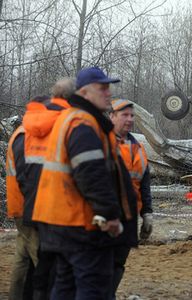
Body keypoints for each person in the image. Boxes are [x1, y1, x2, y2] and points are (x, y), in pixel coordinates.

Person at [32, 66, 138, 300]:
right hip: (81, 227)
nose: (108, 93)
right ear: (85, 92)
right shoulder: (84, 123)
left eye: (109, 87)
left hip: (61, 224)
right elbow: (91, 173)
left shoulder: (71, 118)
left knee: (65, 288)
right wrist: (110, 215)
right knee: (93, 289)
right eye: (103, 88)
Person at [6, 79, 75, 300]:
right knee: (41, 262)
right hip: (32, 208)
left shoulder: (22, 132)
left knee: (23, 258)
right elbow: (31, 175)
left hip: (21, 205)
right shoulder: (31, 134)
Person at [109, 98, 153, 299]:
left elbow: (144, 184)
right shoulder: (100, 144)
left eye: (131, 115)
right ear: (111, 116)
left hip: (129, 217)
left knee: (118, 264)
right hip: (105, 218)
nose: (129, 119)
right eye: (123, 115)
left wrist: (147, 214)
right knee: (99, 265)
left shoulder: (138, 148)